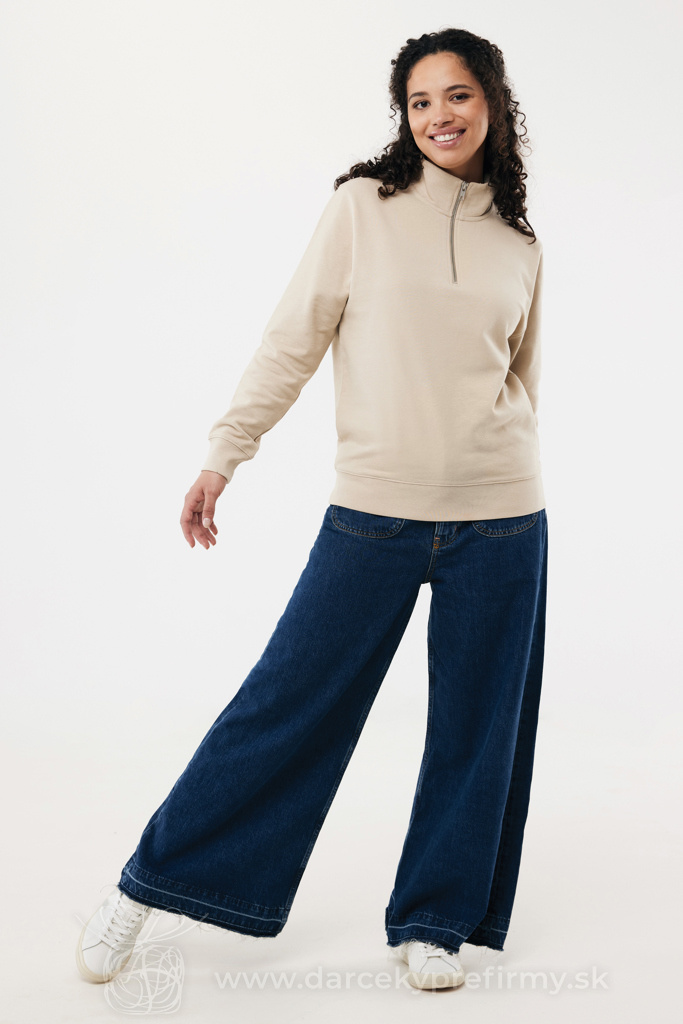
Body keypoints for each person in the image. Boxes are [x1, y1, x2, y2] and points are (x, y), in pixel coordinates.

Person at [76, 27, 549, 993]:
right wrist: (226, 453)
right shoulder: (362, 208)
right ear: (403, 116)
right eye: (419, 102)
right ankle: (146, 884)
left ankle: (434, 921)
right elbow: (291, 339)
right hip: (374, 512)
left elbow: (522, 382)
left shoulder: (519, 240)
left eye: (456, 96)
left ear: (492, 103)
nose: (438, 116)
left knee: (479, 728)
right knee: (286, 705)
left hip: (503, 519)